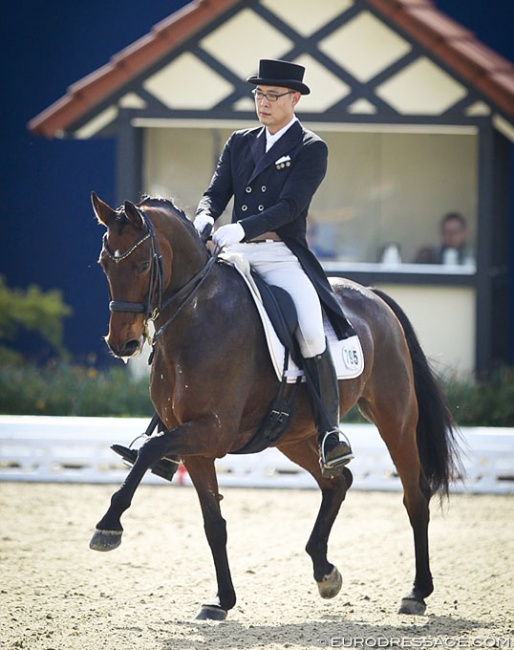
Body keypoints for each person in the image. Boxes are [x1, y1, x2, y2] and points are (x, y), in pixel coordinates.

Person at [193, 59, 354, 478]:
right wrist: (205, 217)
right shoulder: (239, 142)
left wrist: (242, 228)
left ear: (294, 99)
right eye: (258, 95)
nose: (262, 103)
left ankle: (328, 431)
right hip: (236, 255)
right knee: (190, 311)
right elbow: (215, 192)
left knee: (310, 328)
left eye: (272, 96)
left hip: (280, 255)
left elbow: (291, 208)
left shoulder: (310, 147)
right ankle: (164, 425)